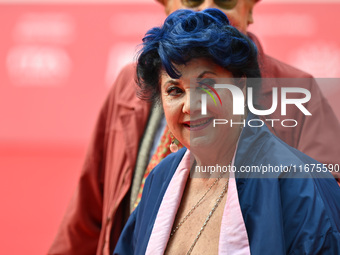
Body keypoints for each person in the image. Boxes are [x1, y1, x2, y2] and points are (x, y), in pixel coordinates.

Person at [48, 1, 340, 255]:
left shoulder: (302, 183)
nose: (192, 105)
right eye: (175, 91)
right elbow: (87, 220)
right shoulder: (159, 179)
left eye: (208, 84)